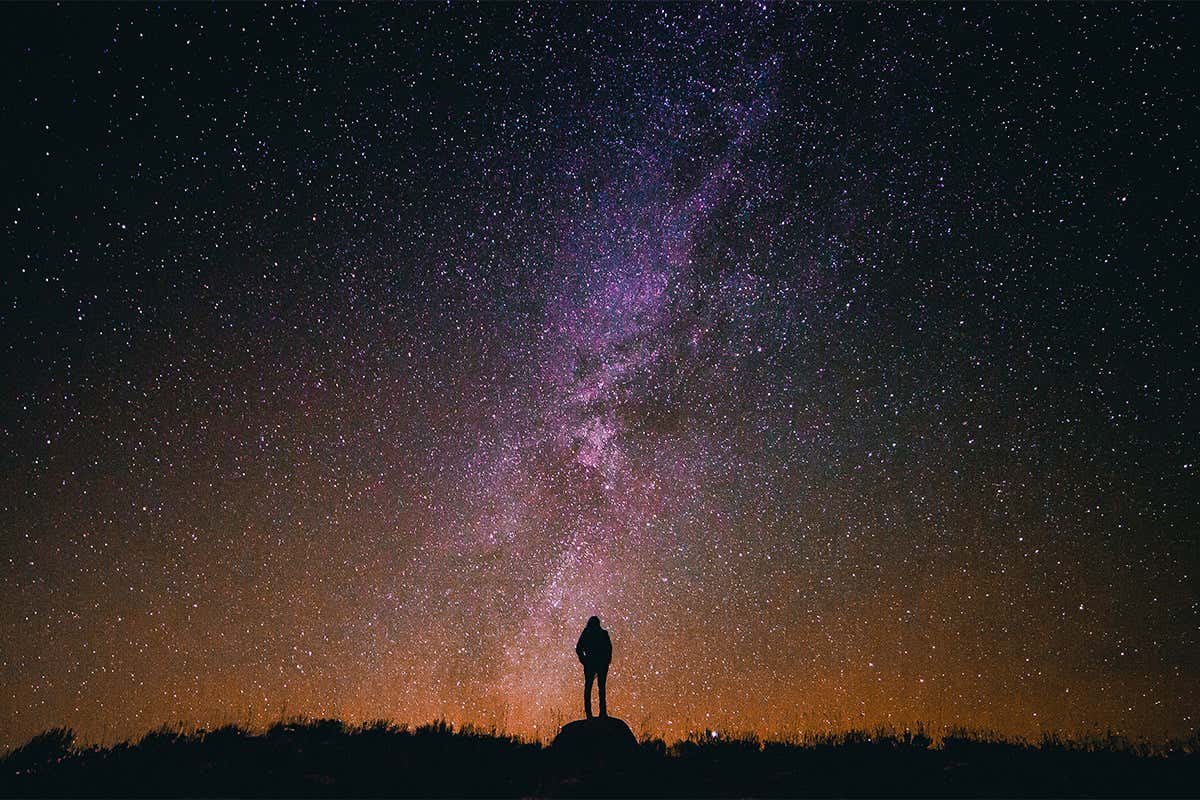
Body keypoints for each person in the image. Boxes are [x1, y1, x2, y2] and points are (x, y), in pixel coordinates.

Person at [575, 615, 612, 718]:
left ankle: (591, 714)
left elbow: (579, 648)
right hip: (597, 663)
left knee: (591, 688)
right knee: (599, 688)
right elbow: (609, 649)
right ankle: (600, 713)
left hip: (593, 663)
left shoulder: (588, 633)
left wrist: (584, 660)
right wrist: (584, 660)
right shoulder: (601, 633)